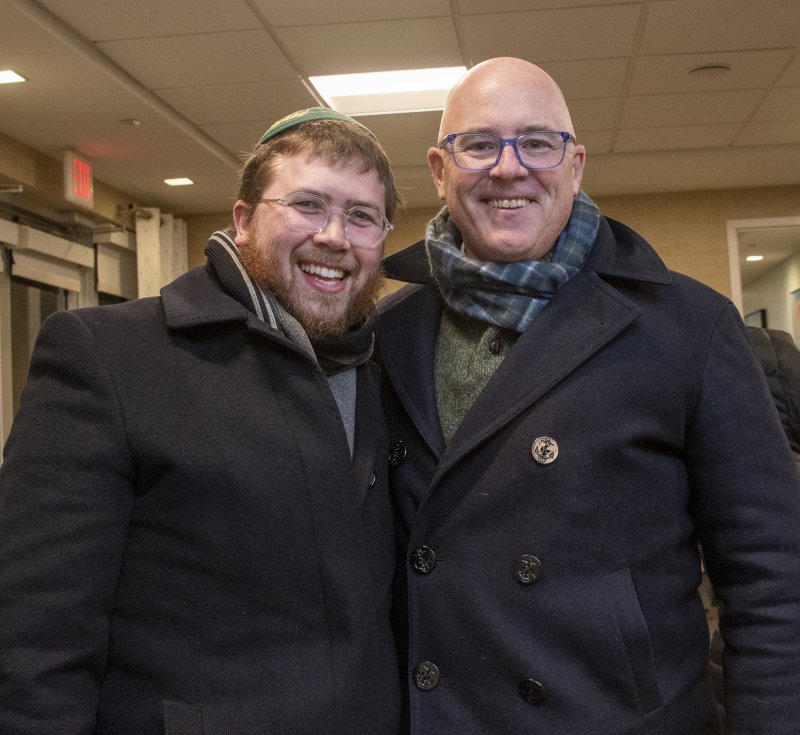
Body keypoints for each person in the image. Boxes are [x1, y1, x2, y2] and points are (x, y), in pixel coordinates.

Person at [376, 57, 800, 734]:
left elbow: (773, 576)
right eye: (479, 144)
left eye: (537, 142)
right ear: (439, 169)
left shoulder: (689, 327)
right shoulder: (387, 333)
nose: (508, 167)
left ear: (575, 165)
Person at [0, 108, 403, 734]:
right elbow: (35, 632)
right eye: (306, 204)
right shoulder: (112, 356)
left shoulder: (387, 371)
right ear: (242, 221)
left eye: (361, 215)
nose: (334, 236)